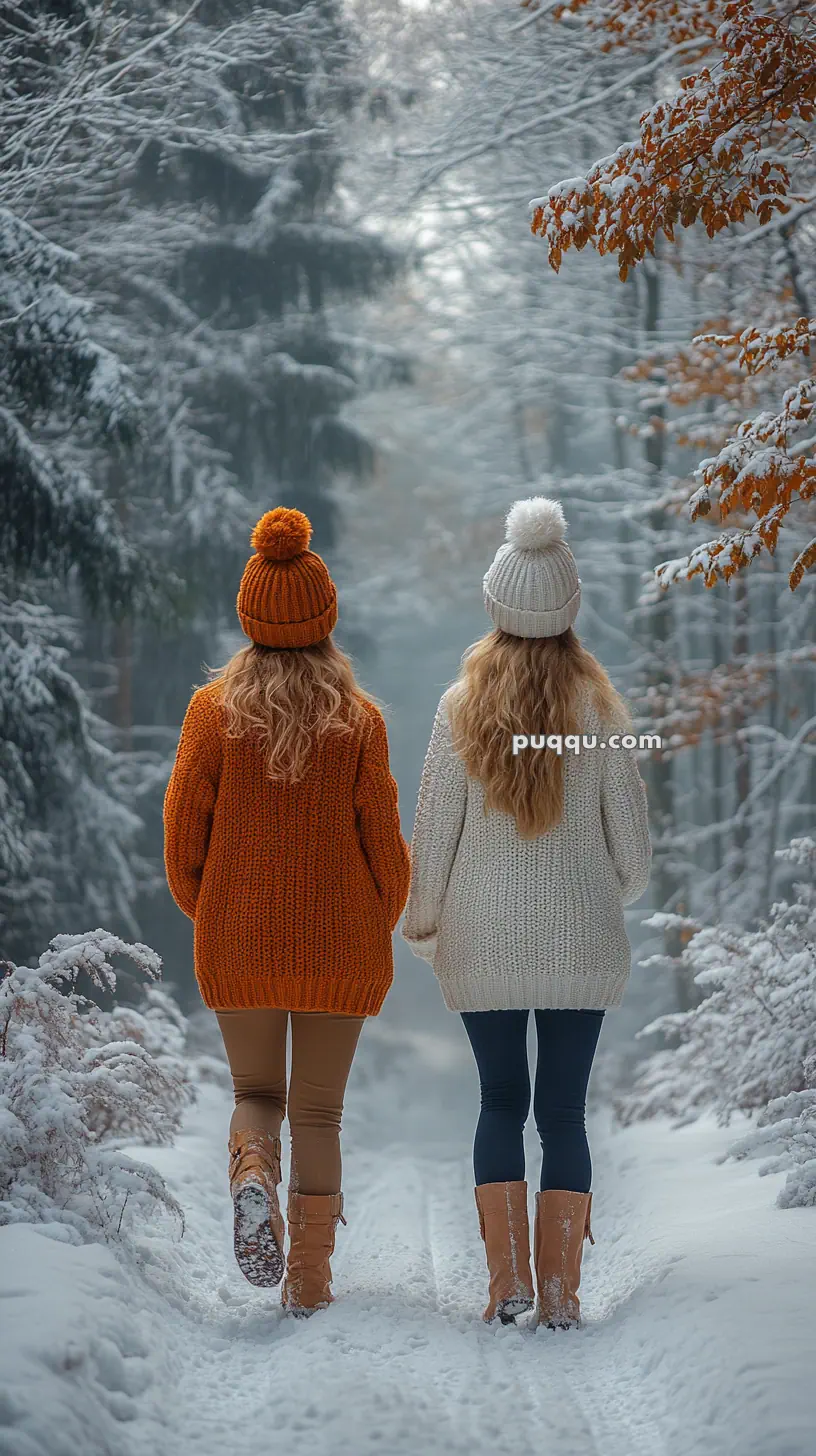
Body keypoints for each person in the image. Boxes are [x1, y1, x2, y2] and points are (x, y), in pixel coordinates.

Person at [402, 497, 651, 1330]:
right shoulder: (602, 715)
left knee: (500, 1101)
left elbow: (433, 838)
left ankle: (506, 1286)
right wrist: (590, 897)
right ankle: (561, 1296)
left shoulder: (456, 709)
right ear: (569, 610)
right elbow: (637, 859)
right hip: (583, 942)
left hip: (481, 940)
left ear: (498, 606)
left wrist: (426, 924)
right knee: (564, 1114)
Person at [164, 507, 410, 1314]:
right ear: (324, 616)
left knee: (257, 1092)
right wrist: (373, 921)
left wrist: (218, 911)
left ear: (250, 616)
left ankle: (253, 1170)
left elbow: (181, 838)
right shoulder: (360, 721)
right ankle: (308, 1279)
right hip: (340, 945)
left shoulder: (213, 714)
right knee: (320, 1111)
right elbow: (386, 849)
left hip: (238, 940)